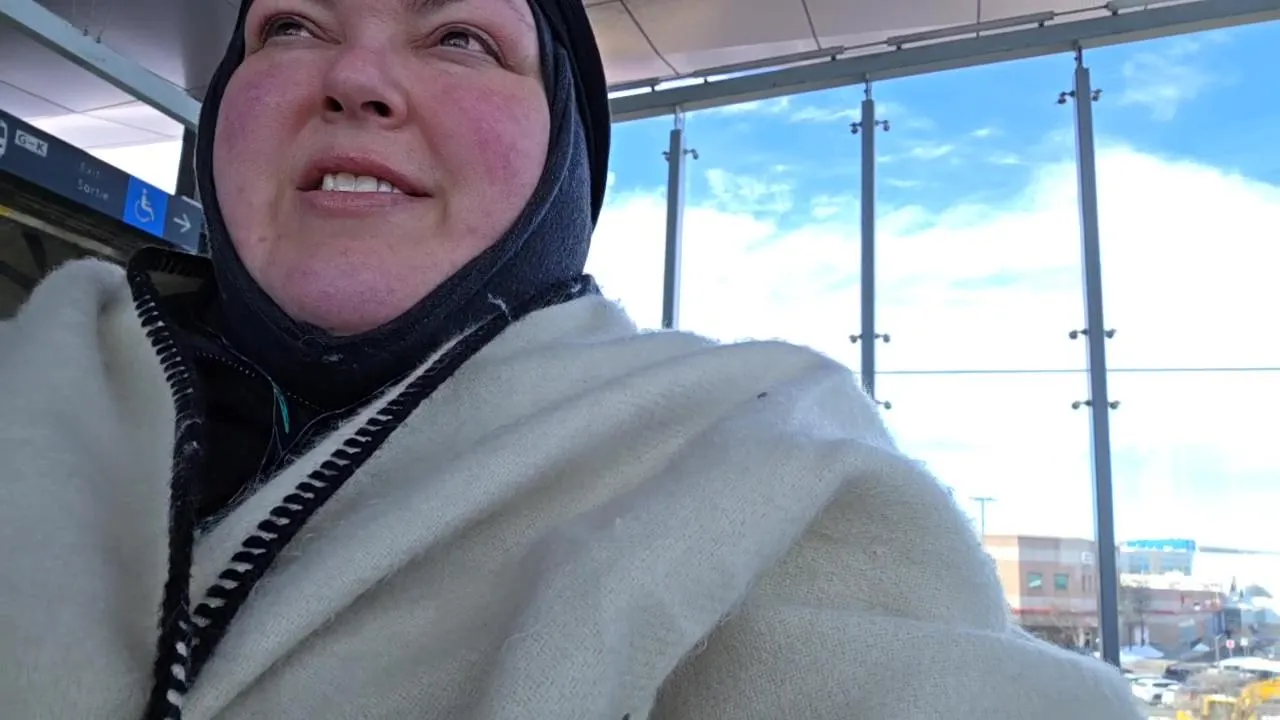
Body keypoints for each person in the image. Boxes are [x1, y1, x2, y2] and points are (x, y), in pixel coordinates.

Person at [0, 0, 1142, 718]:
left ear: (566, 164)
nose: (355, 81)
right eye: (291, 26)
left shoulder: (745, 460)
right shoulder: (26, 381)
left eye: (460, 37)